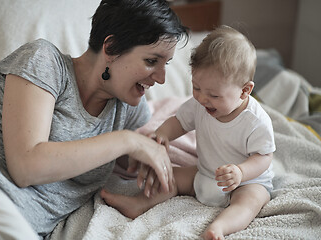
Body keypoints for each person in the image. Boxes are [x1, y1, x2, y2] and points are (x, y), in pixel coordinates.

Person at [0, 0, 189, 239]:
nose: (162, 78)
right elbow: (26, 167)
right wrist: (128, 141)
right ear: (111, 48)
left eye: (166, 64)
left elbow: (115, 157)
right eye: (152, 61)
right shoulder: (45, 61)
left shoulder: (130, 109)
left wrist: (148, 162)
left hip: (26, 225)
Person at [101, 25, 276, 240]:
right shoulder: (199, 105)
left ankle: (219, 228)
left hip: (246, 182)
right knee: (167, 177)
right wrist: (161, 135)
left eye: (213, 94)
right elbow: (179, 122)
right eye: (196, 87)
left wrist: (240, 172)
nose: (202, 99)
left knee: (249, 203)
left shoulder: (255, 121)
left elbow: (264, 157)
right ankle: (138, 204)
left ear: (244, 90)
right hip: (204, 172)